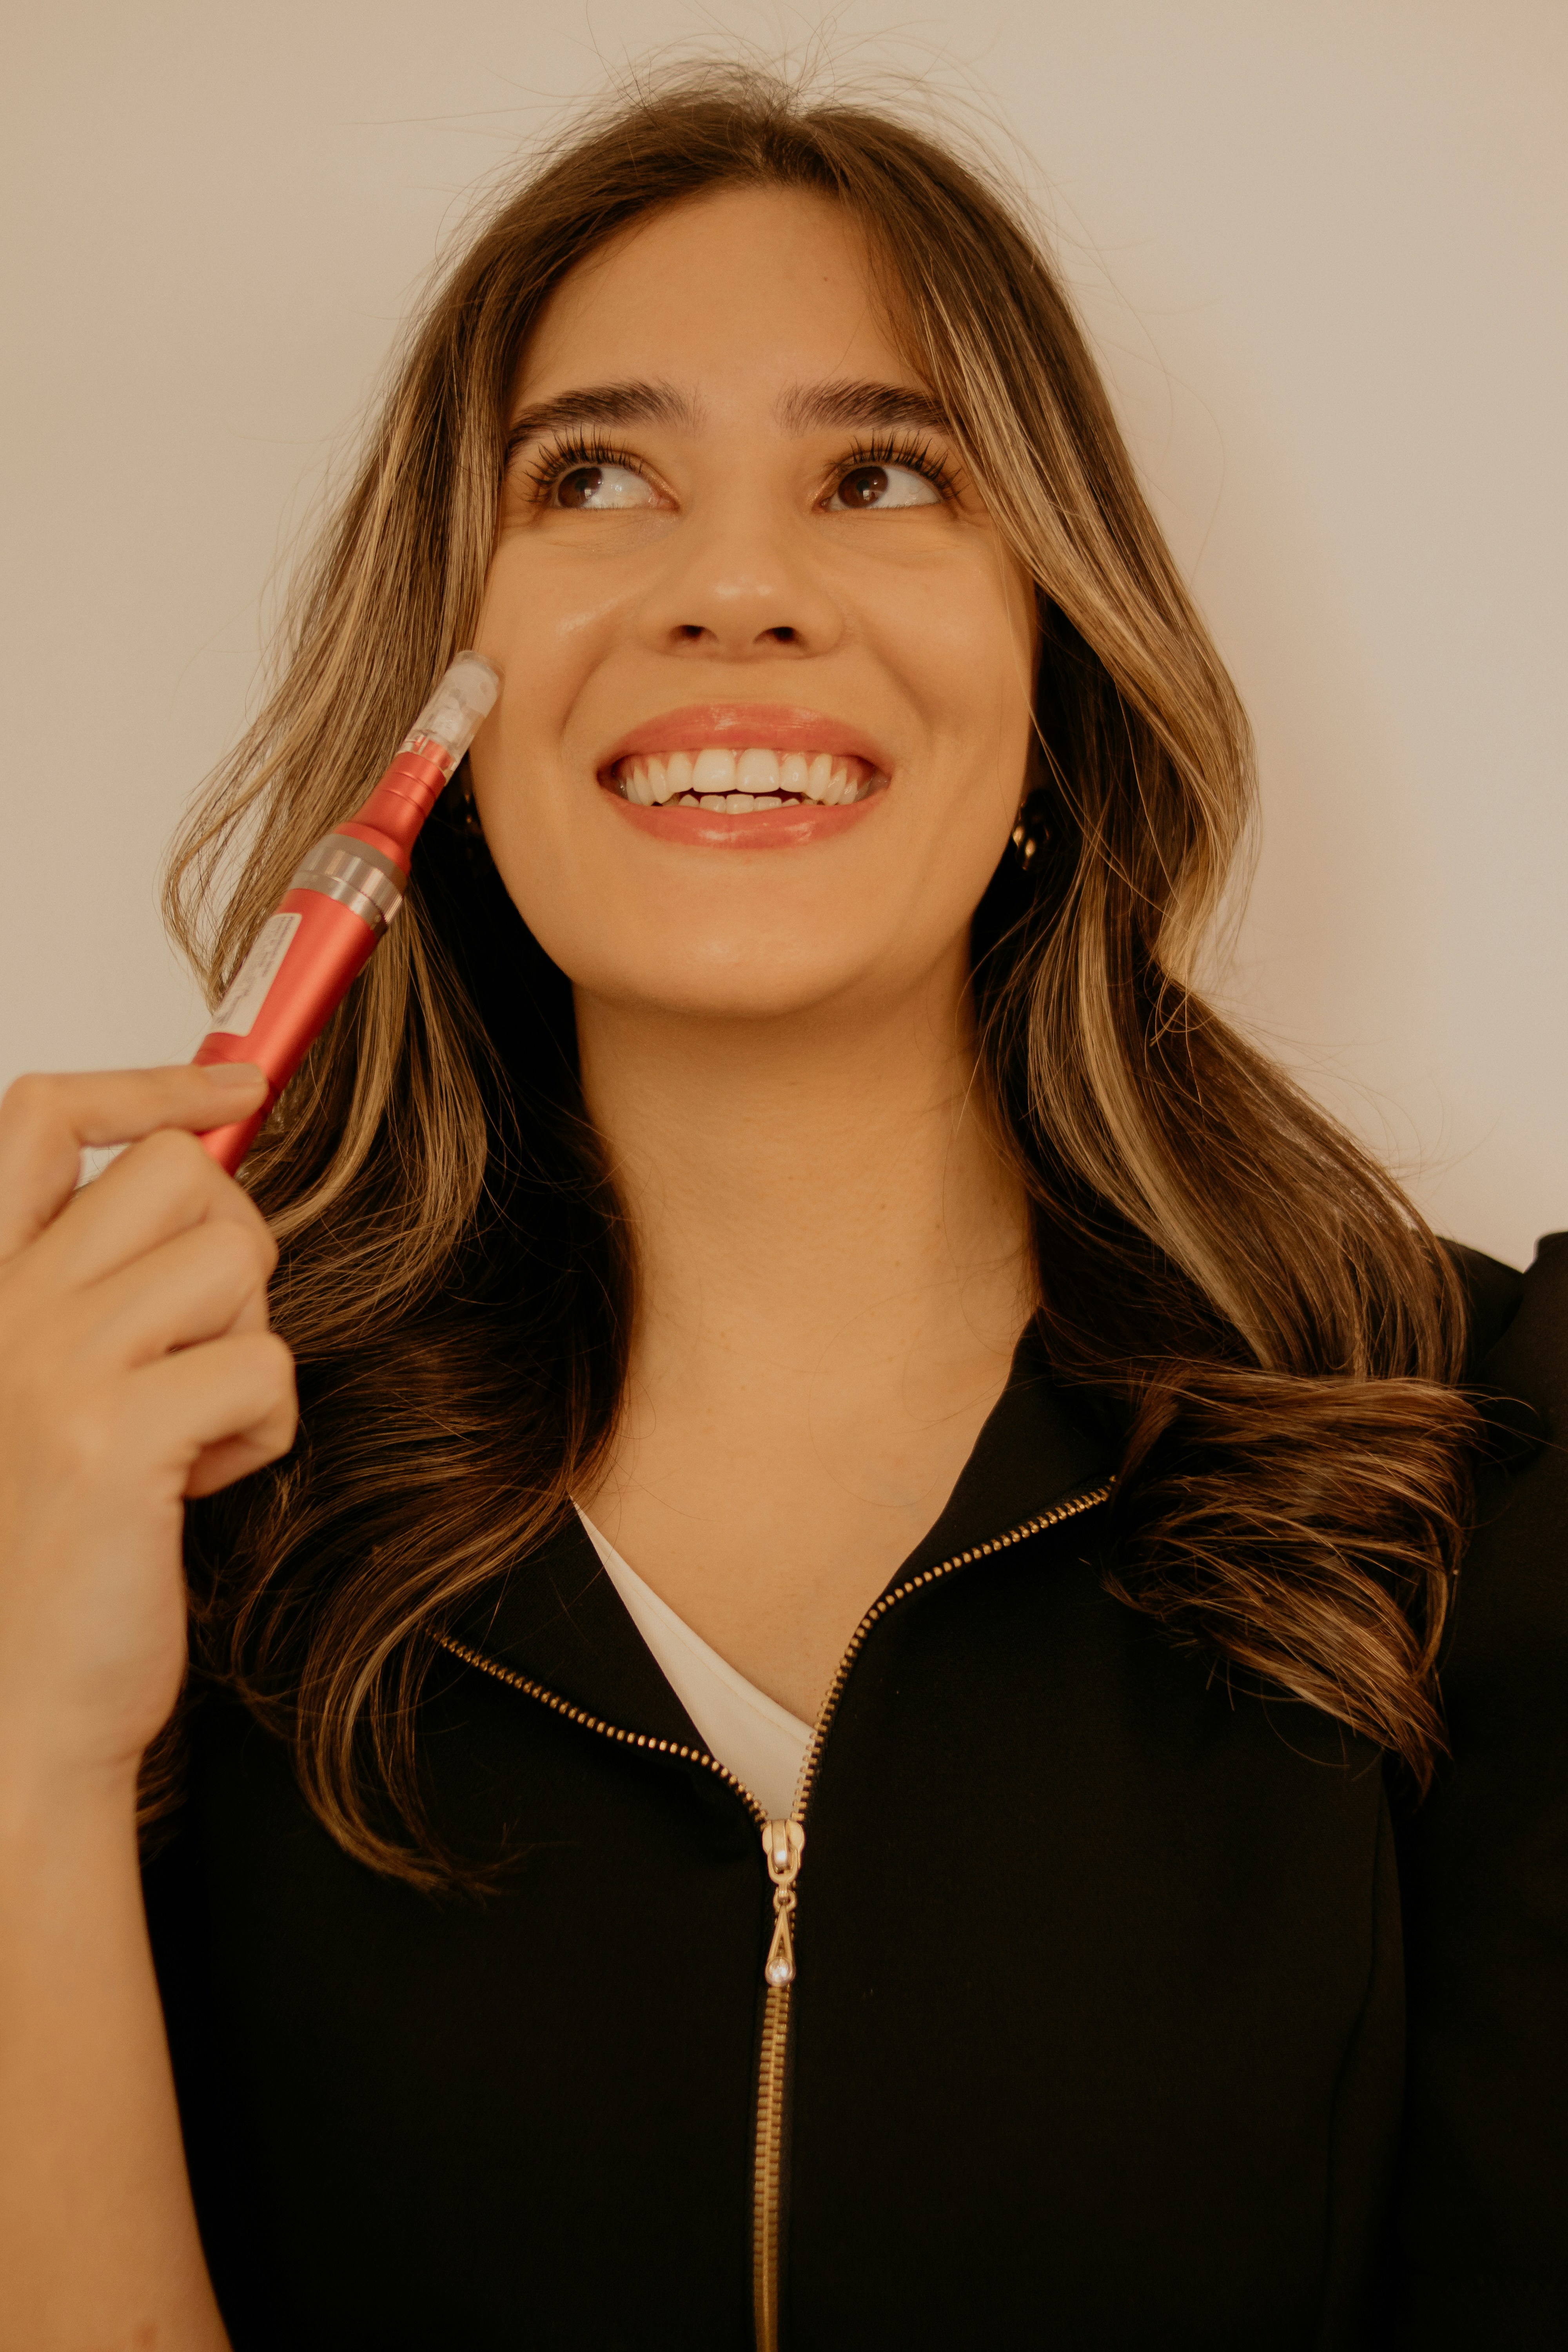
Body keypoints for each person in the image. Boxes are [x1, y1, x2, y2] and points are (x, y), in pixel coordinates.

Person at [0, 65, 1561, 2352]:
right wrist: (27, 1757)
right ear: (449, 706)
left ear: (1053, 663)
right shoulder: (152, 1503)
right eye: (595, 476)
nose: (735, 587)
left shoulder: (1492, 1455)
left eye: (886, 474)